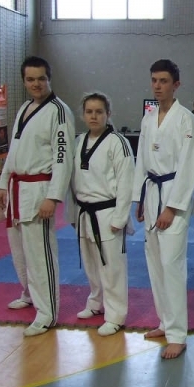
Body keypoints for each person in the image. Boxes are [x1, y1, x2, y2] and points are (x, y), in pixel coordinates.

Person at [0, 56, 75, 336]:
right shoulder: (24, 108)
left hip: (39, 190)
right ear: (24, 81)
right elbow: (14, 150)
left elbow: (63, 157)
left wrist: (53, 196)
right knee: (19, 250)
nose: (36, 84)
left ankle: (48, 313)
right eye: (30, 79)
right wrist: (3, 183)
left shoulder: (59, 111)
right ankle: (29, 292)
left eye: (41, 78)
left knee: (40, 254)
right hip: (17, 189)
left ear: (49, 79)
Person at [131, 59, 194, 359]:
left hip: (173, 196)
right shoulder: (148, 118)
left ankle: (177, 334)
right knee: (155, 264)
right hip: (151, 193)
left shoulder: (186, 120)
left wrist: (172, 207)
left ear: (176, 85)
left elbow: (189, 166)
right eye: (154, 80)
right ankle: (164, 321)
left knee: (172, 266)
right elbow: (141, 160)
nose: (158, 86)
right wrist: (139, 198)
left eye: (163, 81)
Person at [67, 92, 135, 336]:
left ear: (108, 114)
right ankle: (96, 302)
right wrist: (72, 214)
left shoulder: (118, 142)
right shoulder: (79, 141)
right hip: (84, 211)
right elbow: (72, 181)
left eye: (99, 112)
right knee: (91, 263)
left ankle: (116, 315)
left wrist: (120, 217)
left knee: (112, 266)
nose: (93, 116)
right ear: (82, 114)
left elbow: (127, 182)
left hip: (108, 212)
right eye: (89, 112)